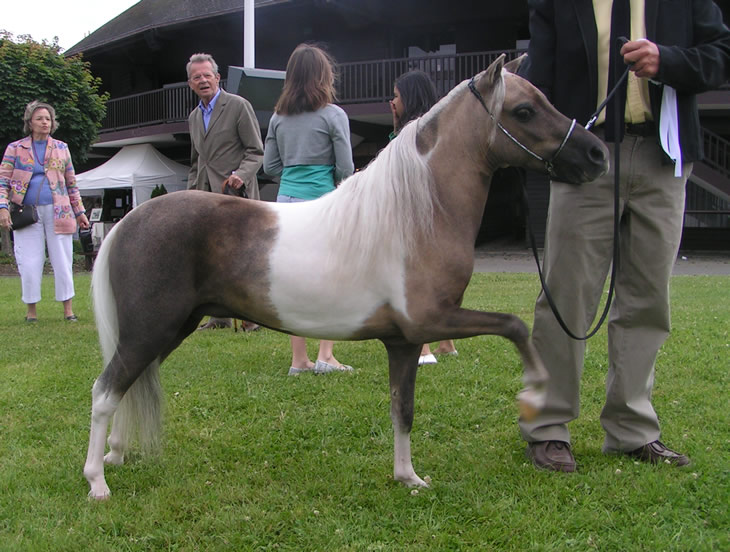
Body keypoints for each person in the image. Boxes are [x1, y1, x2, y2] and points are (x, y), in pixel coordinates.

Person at [519, 0, 730, 472]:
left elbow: (721, 54)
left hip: (663, 157)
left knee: (647, 298)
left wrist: (667, 60)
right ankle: (546, 427)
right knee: (565, 297)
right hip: (586, 160)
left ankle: (633, 430)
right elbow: (541, 78)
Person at [263, 43, 355, 375]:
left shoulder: (278, 117)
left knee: (293, 280)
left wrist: (294, 173)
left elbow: (270, 165)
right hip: (322, 204)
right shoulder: (334, 115)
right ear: (323, 76)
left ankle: (298, 360)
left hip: (285, 204)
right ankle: (325, 355)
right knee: (330, 278)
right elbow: (346, 168)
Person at [186, 52, 264, 331]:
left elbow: (257, 151)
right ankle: (220, 317)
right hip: (205, 199)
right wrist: (190, 195)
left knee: (242, 256)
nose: (203, 80)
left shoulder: (239, 106)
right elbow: (197, 161)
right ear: (190, 83)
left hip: (235, 196)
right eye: (197, 77)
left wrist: (240, 176)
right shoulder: (194, 117)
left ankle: (253, 318)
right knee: (211, 257)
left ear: (218, 78)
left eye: (207, 75)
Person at [389, 70, 458, 366]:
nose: (391, 102)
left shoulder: (414, 133)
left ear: (409, 97)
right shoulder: (436, 128)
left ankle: (425, 349)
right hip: (437, 214)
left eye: (396, 96)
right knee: (437, 279)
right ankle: (447, 343)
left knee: (417, 279)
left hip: (417, 215)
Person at [0, 100, 90, 322]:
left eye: (48, 119)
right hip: (25, 212)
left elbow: (71, 182)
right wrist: (3, 207)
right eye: (39, 118)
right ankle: (31, 312)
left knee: (62, 259)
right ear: (30, 122)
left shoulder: (61, 148)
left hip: (60, 211)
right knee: (29, 261)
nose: (45, 122)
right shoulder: (15, 148)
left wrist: (79, 212)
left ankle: (68, 310)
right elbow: (3, 181)